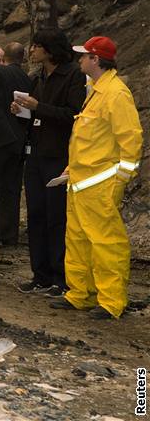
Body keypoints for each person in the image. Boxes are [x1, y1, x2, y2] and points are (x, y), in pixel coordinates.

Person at [49, 36, 143, 319]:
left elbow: (131, 139)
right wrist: (71, 167)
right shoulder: (96, 89)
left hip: (100, 183)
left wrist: (120, 180)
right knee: (78, 240)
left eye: (84, 55)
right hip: (82, 181)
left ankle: (112, 301)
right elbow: (92, 139)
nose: (79, 59)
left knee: (105, 243)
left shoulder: (116, 93)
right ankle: (80, 293)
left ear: (96, 60)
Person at [11, 29, 86, 297]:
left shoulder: (73, 76)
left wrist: (37, 106)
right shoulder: (38, 77)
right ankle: (39, 274)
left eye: (37, 46)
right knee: (36, 215)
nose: (32, 51)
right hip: (35, 153)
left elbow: (73, 115)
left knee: (57, 217)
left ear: (50, 49)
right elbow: (36, 113)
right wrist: (22, 111)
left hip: (58, 155)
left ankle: (60, 276)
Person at [0, 42, 32, 246]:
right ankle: (9, 234)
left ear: (3, 59)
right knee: (12, 189)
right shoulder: (27, 79)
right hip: (19, 141)